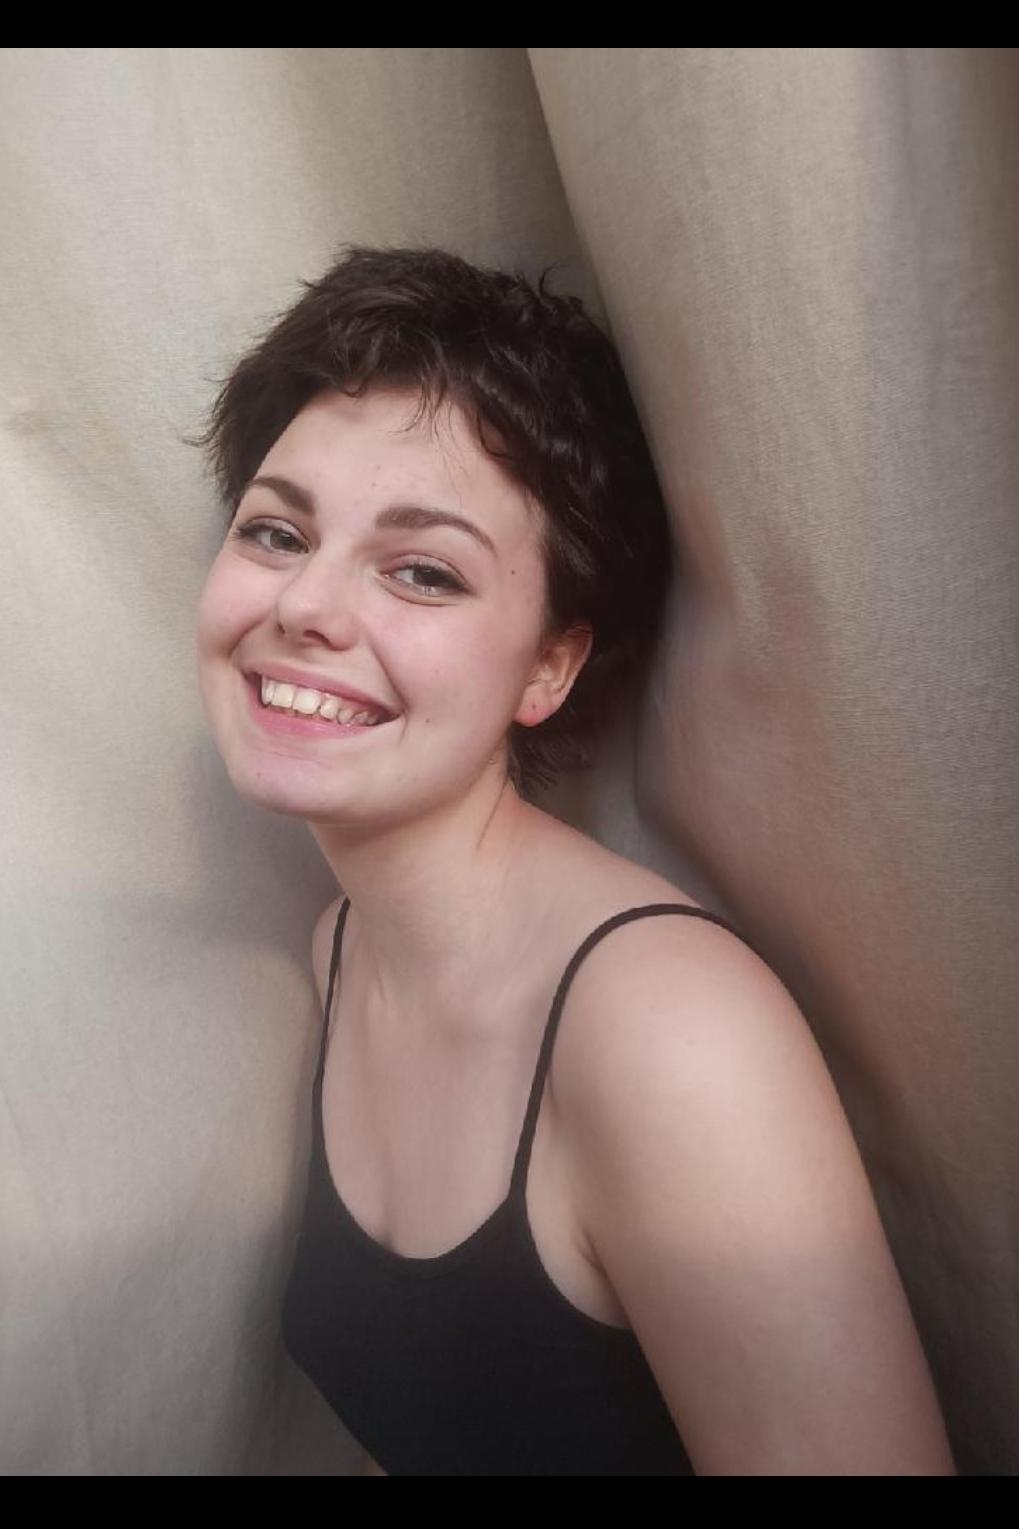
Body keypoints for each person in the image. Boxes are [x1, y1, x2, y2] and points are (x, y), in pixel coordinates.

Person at [193, 245, 956, 1476]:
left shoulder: (669, 1031)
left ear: (548, 665)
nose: (305, 606)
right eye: (277, 532)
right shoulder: (338, 946)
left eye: (422, 570)